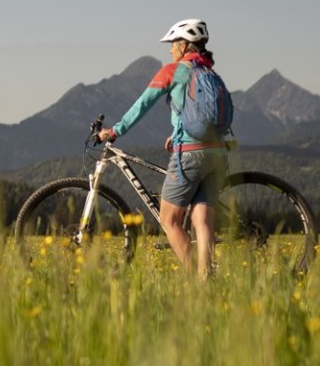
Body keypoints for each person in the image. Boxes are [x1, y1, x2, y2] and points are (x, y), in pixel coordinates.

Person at [97, 19, 230, 279]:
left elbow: (142, 104)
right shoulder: (211, 74)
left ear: (183, 45)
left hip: (190, 155)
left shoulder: (174, 71)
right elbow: (200, 114)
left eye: (172, 45)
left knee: (169, 220)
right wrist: (176, 132)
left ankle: (196, 281)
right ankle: (208, 280)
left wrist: (114, 131)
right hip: (218, 154)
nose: (170, 50)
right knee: (202, 220)